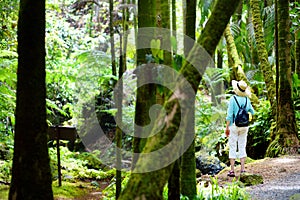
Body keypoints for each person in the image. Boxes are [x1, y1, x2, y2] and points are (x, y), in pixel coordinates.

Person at [225, 80, 255, 177]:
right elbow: (253, 112)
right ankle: (242, 170)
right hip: (244, 126)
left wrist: (227, 127)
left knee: (233, 146)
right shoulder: (247, 100)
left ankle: (232, 170)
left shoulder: (233, 99)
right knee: (242, 146)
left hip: (234, 125)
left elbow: (229, 115)